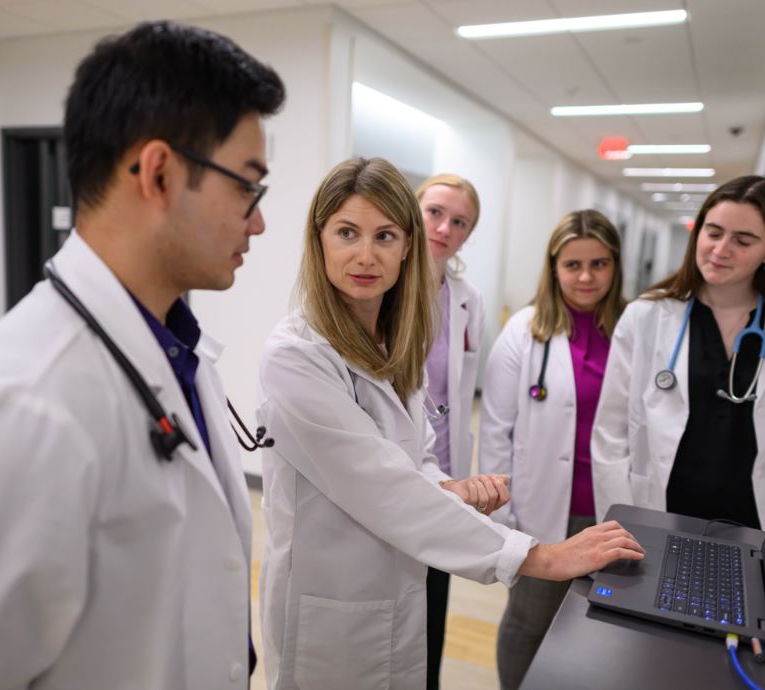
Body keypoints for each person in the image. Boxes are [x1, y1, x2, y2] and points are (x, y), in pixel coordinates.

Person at [0, 21, 284, 689]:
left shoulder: (174, 347)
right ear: (160, 173)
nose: (258, 220)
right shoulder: (18, 406)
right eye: (247, 186)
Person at [256, 157, 644, 690]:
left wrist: (450, 486)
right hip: (334, 604)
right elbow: (382, 487)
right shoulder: (296, 355)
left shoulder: (395, 341)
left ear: (407, 247)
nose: (366, 255)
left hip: (396, 587)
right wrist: (537, 555)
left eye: (385, 236)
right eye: (347, 233)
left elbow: (414, 459)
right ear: (318, 239)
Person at [592, 175, 765, 532]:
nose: (721, 250)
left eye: (743, 240)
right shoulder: (647, 315)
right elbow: (610, 434)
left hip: (755, 521)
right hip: (661, 516)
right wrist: (619, 527)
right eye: (713, 232)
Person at [480, 210, 626, 690]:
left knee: (599, 630)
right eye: (573, 265)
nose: (586, 277)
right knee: (528, 624)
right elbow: (496, 430)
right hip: (542, 511)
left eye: (599, 264)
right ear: (554, 267)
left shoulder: (631, 330)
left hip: (611, 511)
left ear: (615, 266)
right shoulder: (524, 331)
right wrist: (503, 516)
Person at [415, 173, 485, 689]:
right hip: (398, 470)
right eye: (435, 211)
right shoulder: (384, 284)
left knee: (433, 601)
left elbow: (462, 391)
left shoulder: (466, 300)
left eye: (459, 222)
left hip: (445, 477)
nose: (443, 227)